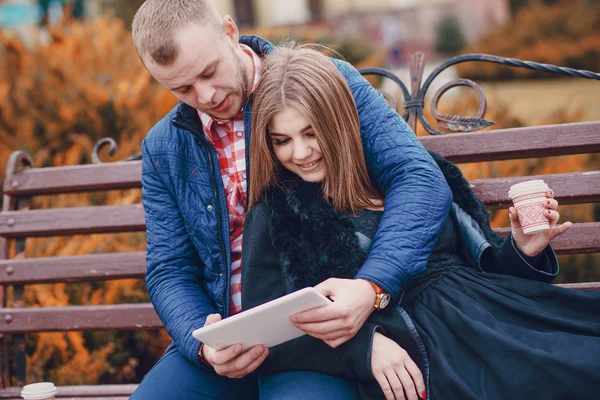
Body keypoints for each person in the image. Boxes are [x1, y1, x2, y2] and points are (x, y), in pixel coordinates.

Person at [129, 0, 451, 398]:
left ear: (230, 33)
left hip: (322, 337)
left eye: (209, 72)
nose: (206, 95)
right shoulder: (164, 146)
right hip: (228, 344)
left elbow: (418, 178)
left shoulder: (321, 84)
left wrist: (372, 286)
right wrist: (202, 344)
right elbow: (169, 267)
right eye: (182, 88)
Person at [241, 44, 600, 400]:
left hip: (493, 317)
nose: (299, 154)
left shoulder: (410, 172)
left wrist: (523, 250)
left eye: (310, 133)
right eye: (281, 141)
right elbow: (270, 329)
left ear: (338, 124)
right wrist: (364, 348)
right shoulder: (279, 210)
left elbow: (484, 268)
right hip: (426, 345)